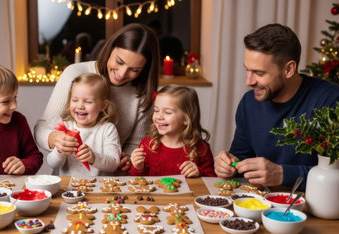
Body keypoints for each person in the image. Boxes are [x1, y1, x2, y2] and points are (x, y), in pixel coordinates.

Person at [214, 23, 339, 191]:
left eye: (259, 73)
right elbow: (241, 160)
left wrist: (283, 174)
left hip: (317, 209)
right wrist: (228, 166)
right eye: (247, 70)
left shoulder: (332, 101)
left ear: (289, 69)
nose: (249, 81)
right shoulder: (249, 103)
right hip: (264, 207)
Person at [35, 23, 159, 174]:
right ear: (110, 48)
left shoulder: (141, 93)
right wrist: (55, 139)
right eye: (119, 62)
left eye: (134, 70)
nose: (121, 73)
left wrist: (128, 158)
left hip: (109, 182)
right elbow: (42, 127)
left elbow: (135, 145)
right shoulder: (75, 74)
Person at [129, 85, 216, 177]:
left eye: (168, 112)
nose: (159, 117)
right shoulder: (147, 144)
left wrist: (199, 172)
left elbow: (212, 181)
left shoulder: (202, 148)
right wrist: (138, 167)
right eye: (156, 110)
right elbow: (138, 182)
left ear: (186, 118)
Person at [46, 73, 121, 176]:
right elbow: (53, 164)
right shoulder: (65, 128)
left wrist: (94, 158)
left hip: (98, 188)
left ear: (103, 106)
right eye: (75, 100)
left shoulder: (107, 130)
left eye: (88, 102)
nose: (80, 106)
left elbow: (114, 163)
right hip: (68, 187)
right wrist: (59, 151)